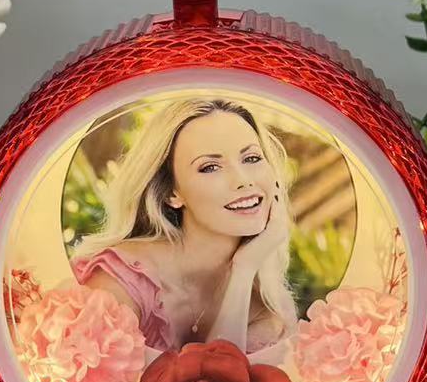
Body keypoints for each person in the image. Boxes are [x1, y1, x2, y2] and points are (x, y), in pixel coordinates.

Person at [72, 97, 298, 359]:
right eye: (210, 167)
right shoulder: (120, 281)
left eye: (252, 158)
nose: (243, 180)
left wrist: (243, 271)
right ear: (172, 193)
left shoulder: (270, 310)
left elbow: (225, 380)